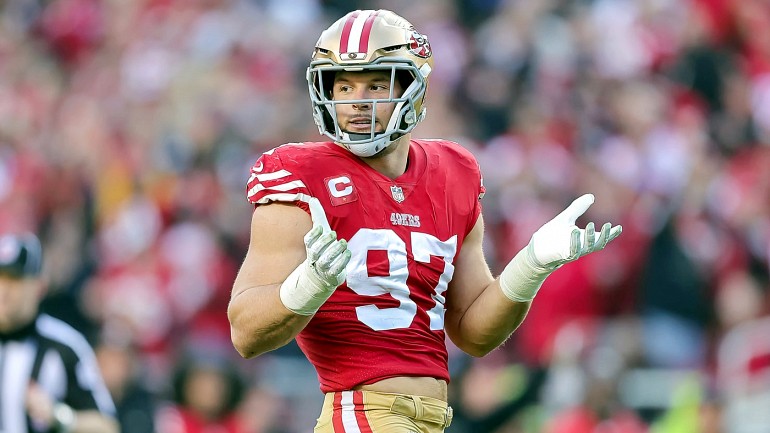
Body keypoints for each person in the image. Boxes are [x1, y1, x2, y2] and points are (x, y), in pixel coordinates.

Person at [227, 9, 622, 433]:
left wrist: (532, 264)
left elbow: (474, 332)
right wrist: (309, 283)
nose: (357, 101)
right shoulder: (299, 173)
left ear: (412, 89)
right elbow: (246, 332)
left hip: (433, 419)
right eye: (343, 85)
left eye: (376, 84)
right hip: (362, 414)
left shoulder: (454, 171)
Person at [0, 232, 119, 433]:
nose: (4, 290)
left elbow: (108, 427)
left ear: (39, 286)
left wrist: (59, 416)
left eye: (14, 280)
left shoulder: (64, 346)